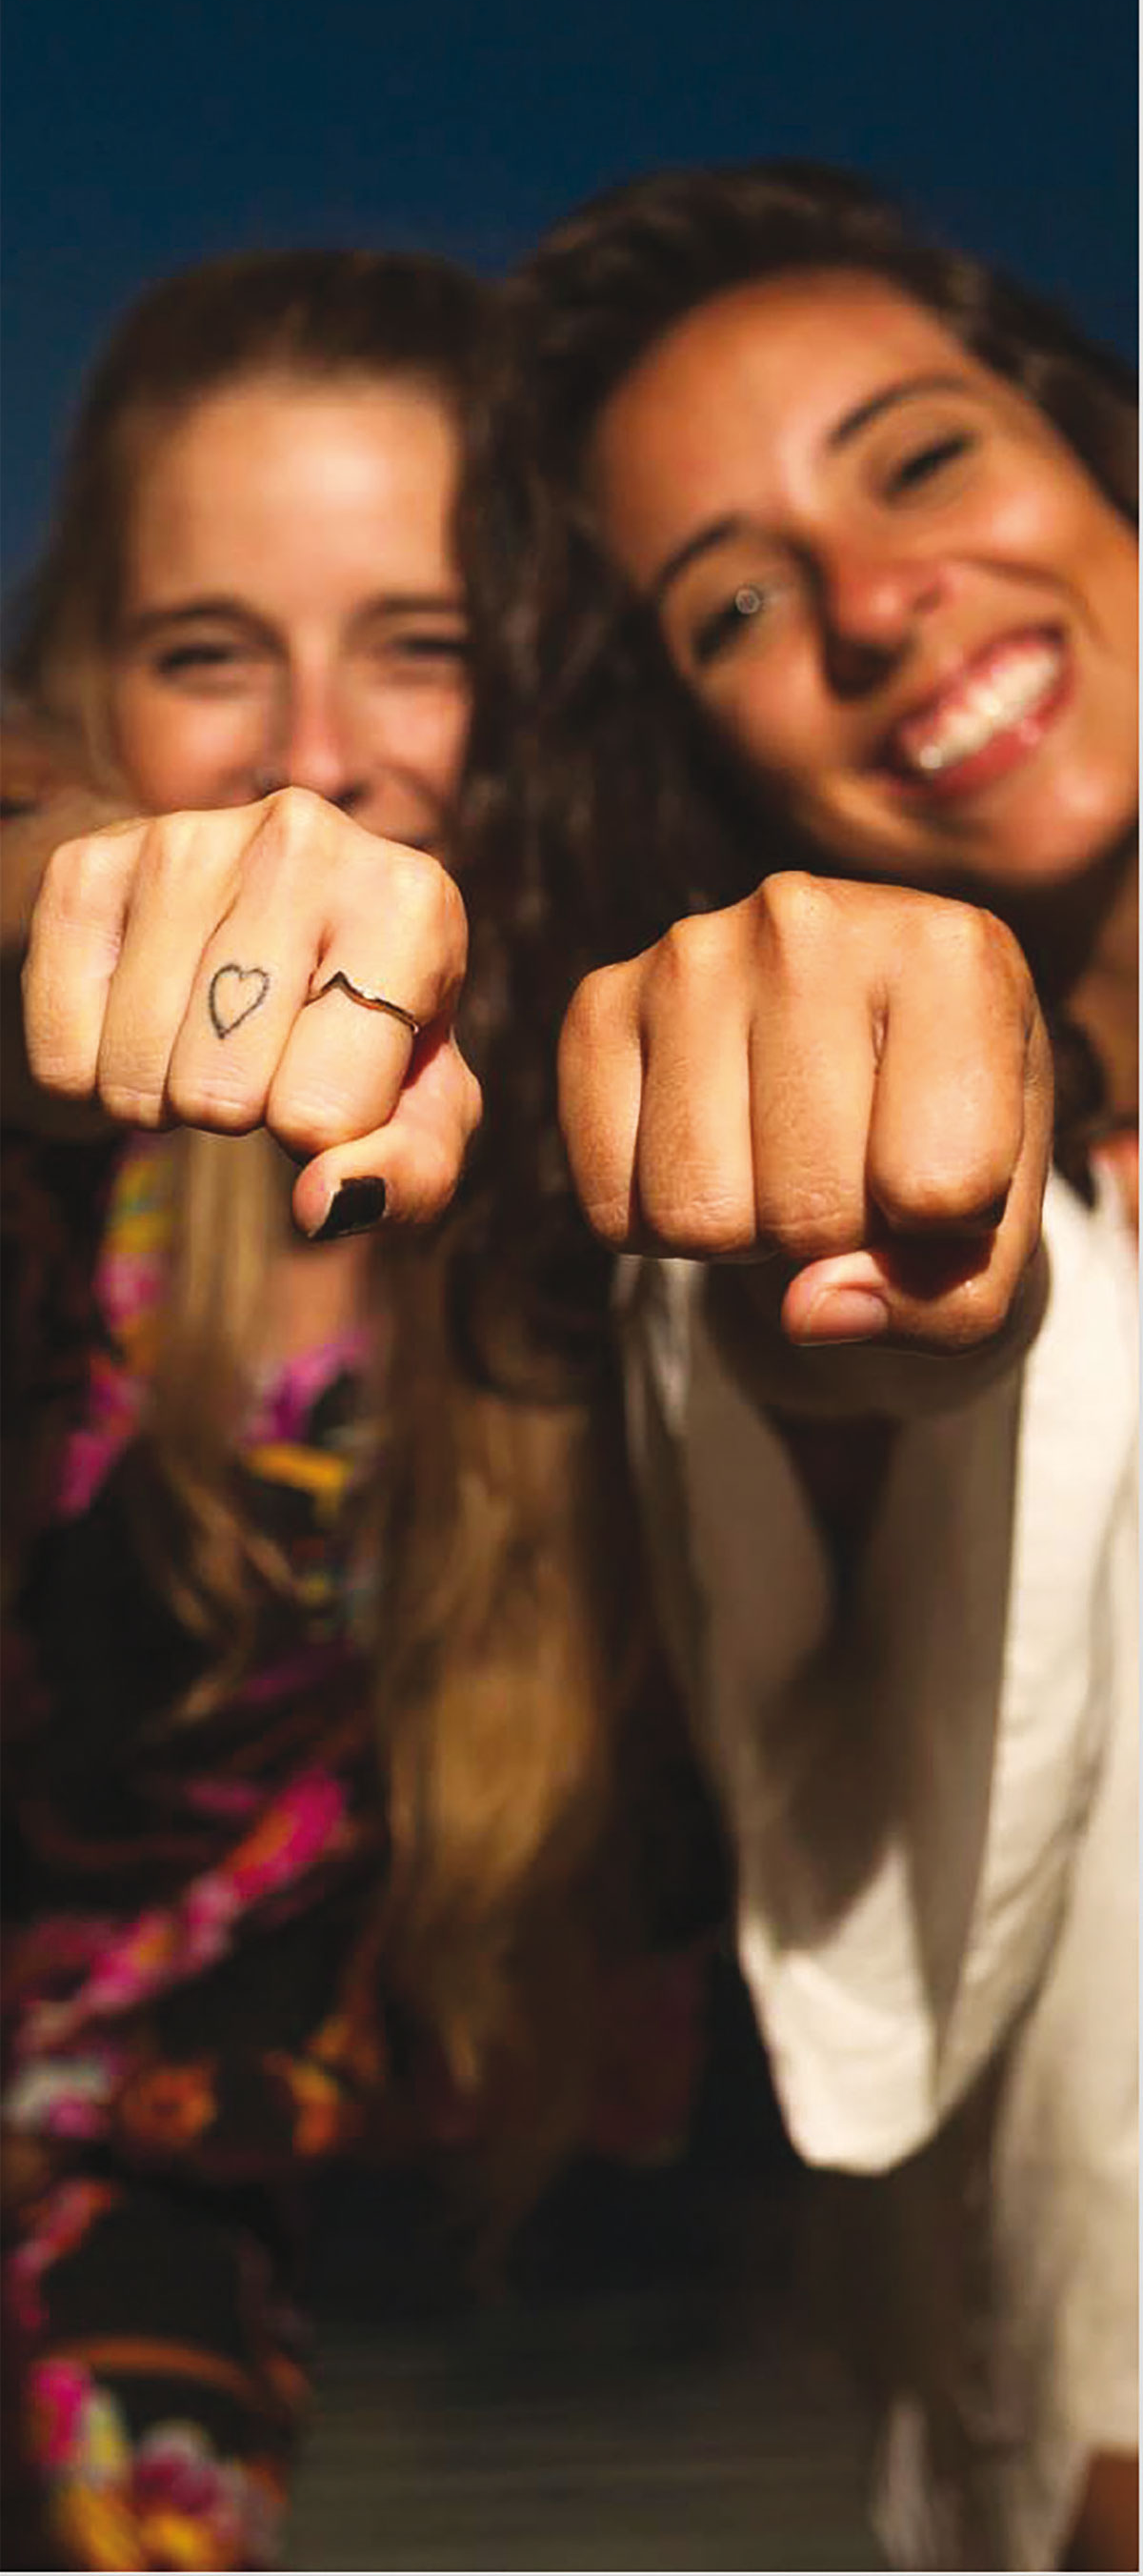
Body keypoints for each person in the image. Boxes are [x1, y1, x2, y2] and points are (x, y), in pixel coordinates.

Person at [1, 249, 711, 2572]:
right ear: (88, 685)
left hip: (551, 2284)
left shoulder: (652, 1097)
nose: (318, 746)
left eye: (420, 641)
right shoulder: (56, 1160)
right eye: (208, 651)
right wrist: (48, 901)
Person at [471, 163, 1137, 2571]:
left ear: (1098, 453)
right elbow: (860, 1356)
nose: (872, 603)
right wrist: (867, 1236)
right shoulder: (761, 1163)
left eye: (923, 457)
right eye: (735, 602)